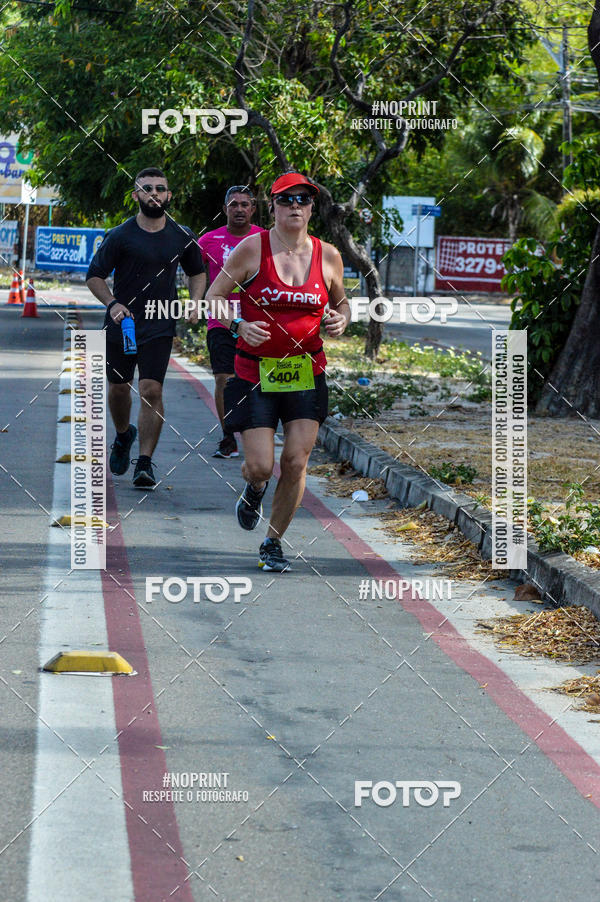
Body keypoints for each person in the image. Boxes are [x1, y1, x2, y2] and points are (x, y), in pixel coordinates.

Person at [206, 171, 350, 572]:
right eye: (286, 199)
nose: (295, 206)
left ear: (312, 208)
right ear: (272, 206)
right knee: (260, 466)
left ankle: (273, 542)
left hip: (306, 372)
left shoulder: (329, 255)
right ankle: (254, 488)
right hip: (254, 374)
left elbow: (341, 303)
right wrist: (237, 325)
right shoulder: (252, 249)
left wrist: (342, 319)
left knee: (296, 462)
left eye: (303, 199)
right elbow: (213, 296)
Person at [86, 167, 206, 488]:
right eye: (147, 188)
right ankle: (123, 434)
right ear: (136, 195)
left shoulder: (181, 235)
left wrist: (195, 302)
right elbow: (94, 276)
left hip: (160, 323)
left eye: (160, 189)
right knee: (119, 388)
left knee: (151, 390)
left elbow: (197, 272)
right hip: (122, 325)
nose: (154, 193)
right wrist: (112, 303)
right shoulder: (120, 235)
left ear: (169, 195)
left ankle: (144, 462)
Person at [197, 185, 264, 458]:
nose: (239, 209)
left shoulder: (265, 239)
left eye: (244, 204)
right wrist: (194, 301)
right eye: (233, 204)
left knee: (254, 380)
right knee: (224, 378)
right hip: (221, 321)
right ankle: (227, 437)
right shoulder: (208, 240)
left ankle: (255, 431)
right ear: (225, 209)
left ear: (253, 209)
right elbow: (194, 272)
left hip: (257, 322)